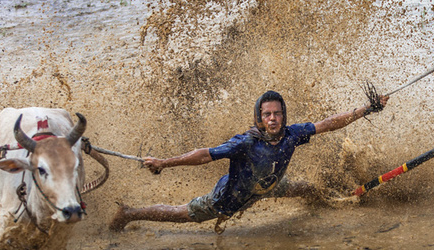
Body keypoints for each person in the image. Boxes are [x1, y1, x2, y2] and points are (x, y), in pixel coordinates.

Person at [109, 90, 389, 232]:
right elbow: (205, 154)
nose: (272, 119)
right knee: (182, 215)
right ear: (259, 118)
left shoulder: (292, 135)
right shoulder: (245, 142)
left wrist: (367, 109)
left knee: (307, 189)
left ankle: (331, 202)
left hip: (270, 185)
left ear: (284, 116)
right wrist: (164, 162)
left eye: (277, 113)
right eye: (267, 114)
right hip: (228, 198)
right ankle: (129, 213)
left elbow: (328, 123)